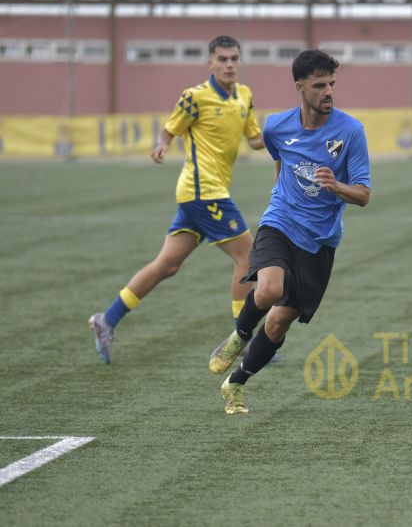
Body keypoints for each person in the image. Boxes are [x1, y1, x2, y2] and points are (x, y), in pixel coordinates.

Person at [208, 49, 371, 415]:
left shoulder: (351, 131)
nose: (328, 91)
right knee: (268, 289)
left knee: (280, 322)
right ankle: (240, 335)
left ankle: (235, 384)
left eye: (332, 84)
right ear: (299, 87)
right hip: (280, 222)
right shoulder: (276, 126)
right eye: (319, 85)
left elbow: (363, 195)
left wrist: (337, 187)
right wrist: (283, 198)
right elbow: (281, 160)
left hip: (321, 241)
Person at [88, 35, 265, 364]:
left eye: (234, 59)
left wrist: (286, 135)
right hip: (203, 191)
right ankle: (244, 340)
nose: (229, 64)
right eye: (222, 59)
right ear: (210, 63)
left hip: (204, 194)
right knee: (249, 258)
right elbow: (169, 129)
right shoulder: (194, 97)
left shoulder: (245, 96)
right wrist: (162, 144)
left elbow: (255, 140)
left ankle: (106, 319)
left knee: (166, 265)